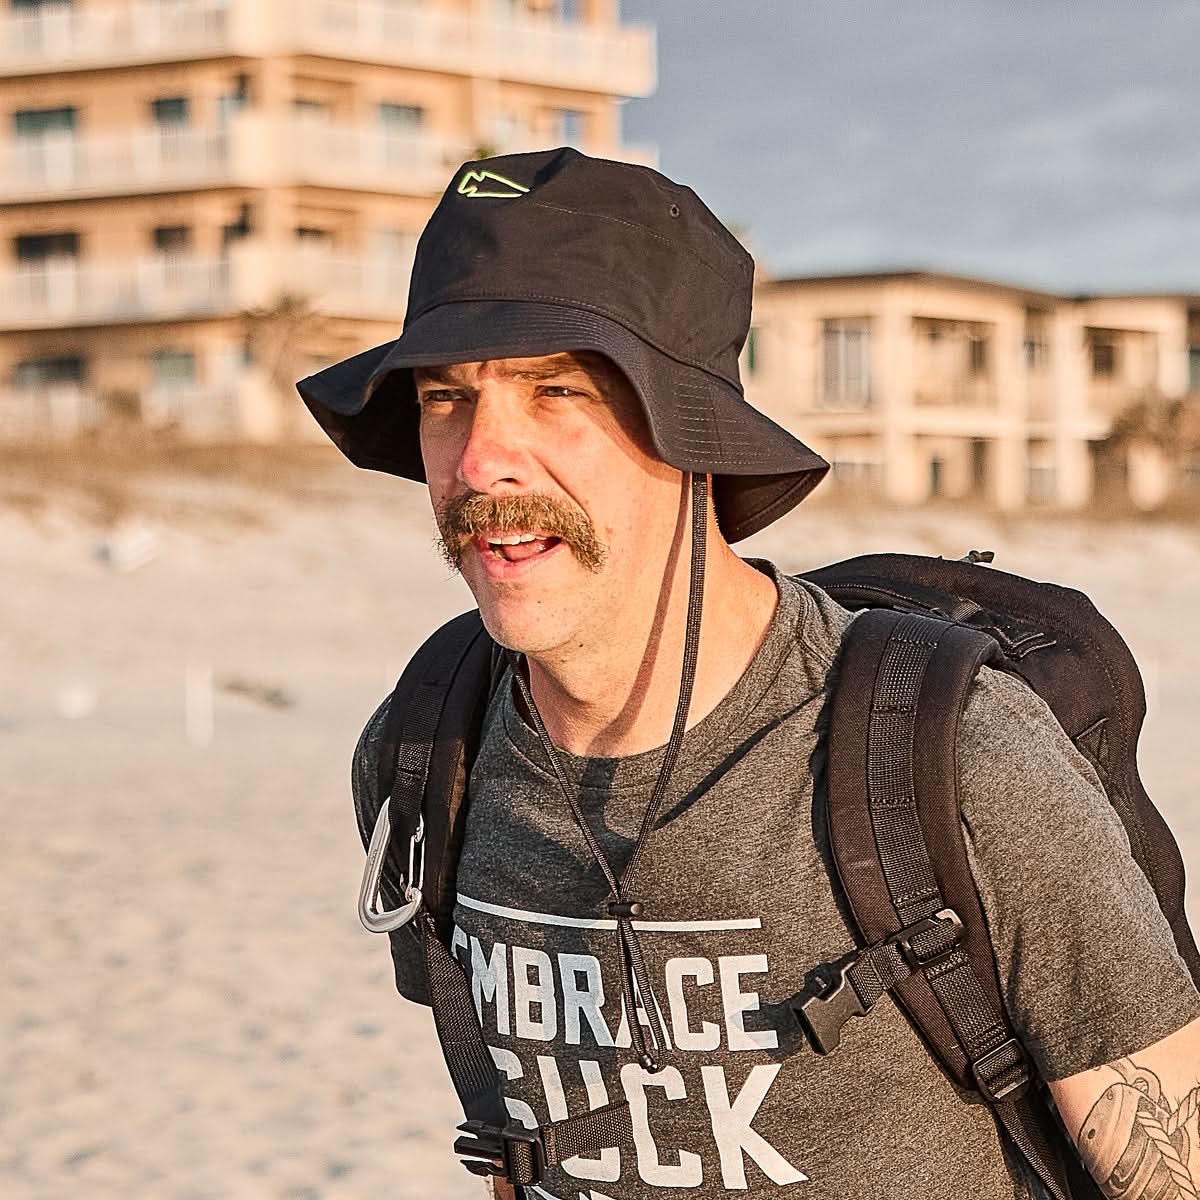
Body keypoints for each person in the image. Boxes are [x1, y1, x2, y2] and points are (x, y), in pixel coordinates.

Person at [298, 148, 1200, 1199]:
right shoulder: (424, 753)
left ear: (691, 434)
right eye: (446, 398)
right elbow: (520, 1133)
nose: (479, 459)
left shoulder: (950, 759)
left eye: (557, 392)